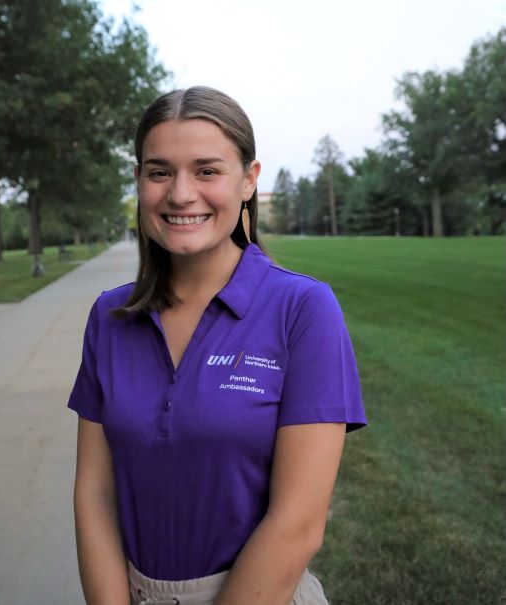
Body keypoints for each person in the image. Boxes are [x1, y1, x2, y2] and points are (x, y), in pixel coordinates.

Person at [67, 86, 367, 605]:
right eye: (159, 171)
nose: (181, 193)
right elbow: (94, 495)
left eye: (207, 171)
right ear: (139, 180)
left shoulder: (303, 310)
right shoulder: (109, 319)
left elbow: (298, 524)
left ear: (249, 180)